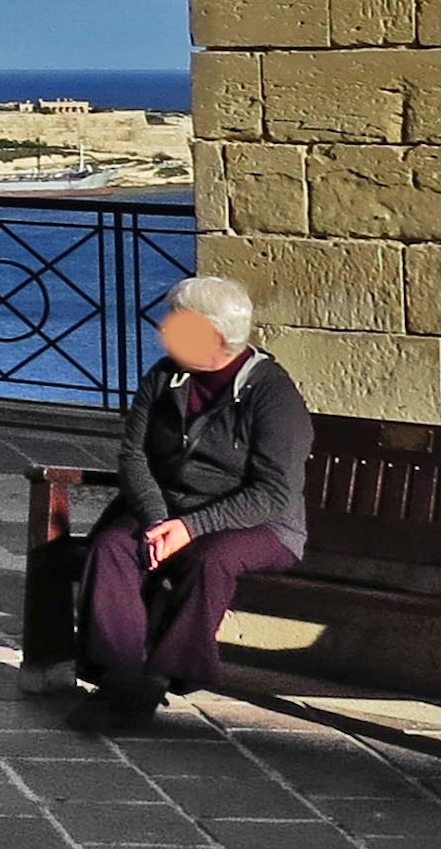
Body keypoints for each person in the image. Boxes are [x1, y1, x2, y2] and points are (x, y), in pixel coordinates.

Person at [72, 273, 308, 730]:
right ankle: (120, 675)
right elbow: (133, 455)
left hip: (258, 524)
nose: (164, 330)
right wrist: (160, 518)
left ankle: (161, 676)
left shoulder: (273, 395)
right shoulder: (164, 378)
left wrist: (190, 528)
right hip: (167, 512)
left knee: (211, 560)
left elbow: (274, 492)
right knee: (113, 546)